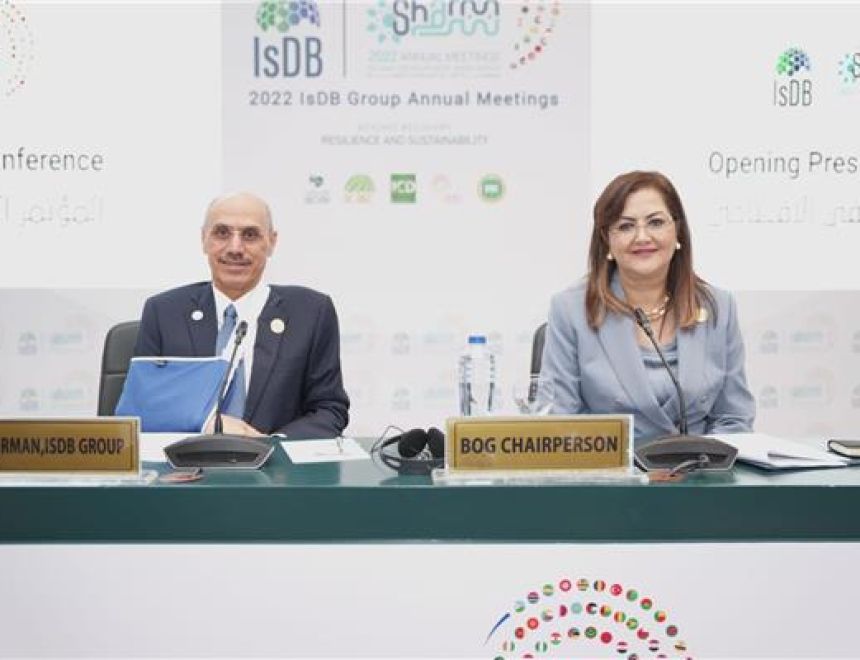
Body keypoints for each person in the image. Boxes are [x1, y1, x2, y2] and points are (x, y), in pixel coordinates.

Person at [539, 171, 755, 444]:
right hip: (612, 469)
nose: (642, 237)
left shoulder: (718, 307)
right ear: (606, 239)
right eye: (625, 226)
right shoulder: (571, 310)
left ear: (677, 231)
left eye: (655, 222)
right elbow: (559, 422)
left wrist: (704, 461)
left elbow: (734, 419)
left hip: (700, 466)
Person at [133, 192, 349, 438]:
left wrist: (273, 445)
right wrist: (206, 425)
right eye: (222, 233)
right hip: (188, 459)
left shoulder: (311, 312)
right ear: (204, 239)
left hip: (275, 461)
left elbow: (329, 409)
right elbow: (144, 407)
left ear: (271, 242)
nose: (235, 248)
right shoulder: (164, 312)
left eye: (250, 235)